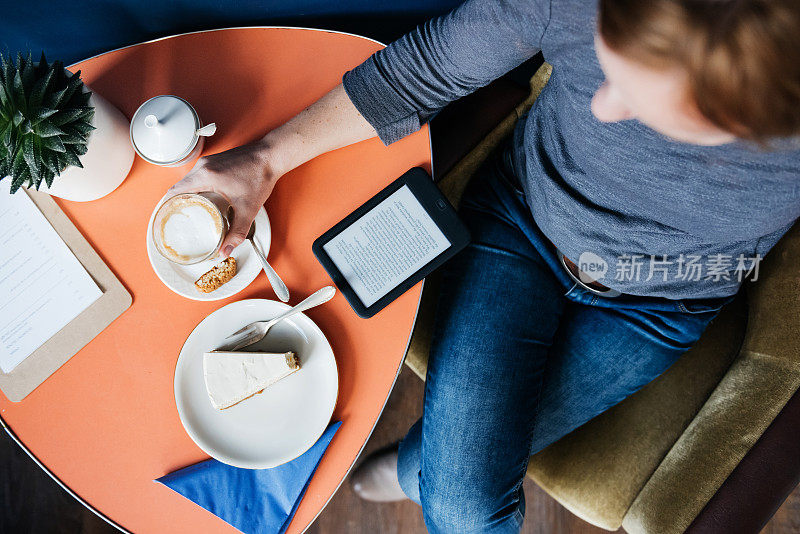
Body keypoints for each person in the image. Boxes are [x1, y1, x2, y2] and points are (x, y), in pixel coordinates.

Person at [169, 0, 800, 531]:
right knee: (460, 495)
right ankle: (421, 471)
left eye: (642, 101)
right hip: (525, 226)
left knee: (455, 495)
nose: (600, 107)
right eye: (608, 66)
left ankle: (417, 470)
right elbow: (422, 71)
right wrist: (263, 160)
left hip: (663, 304)